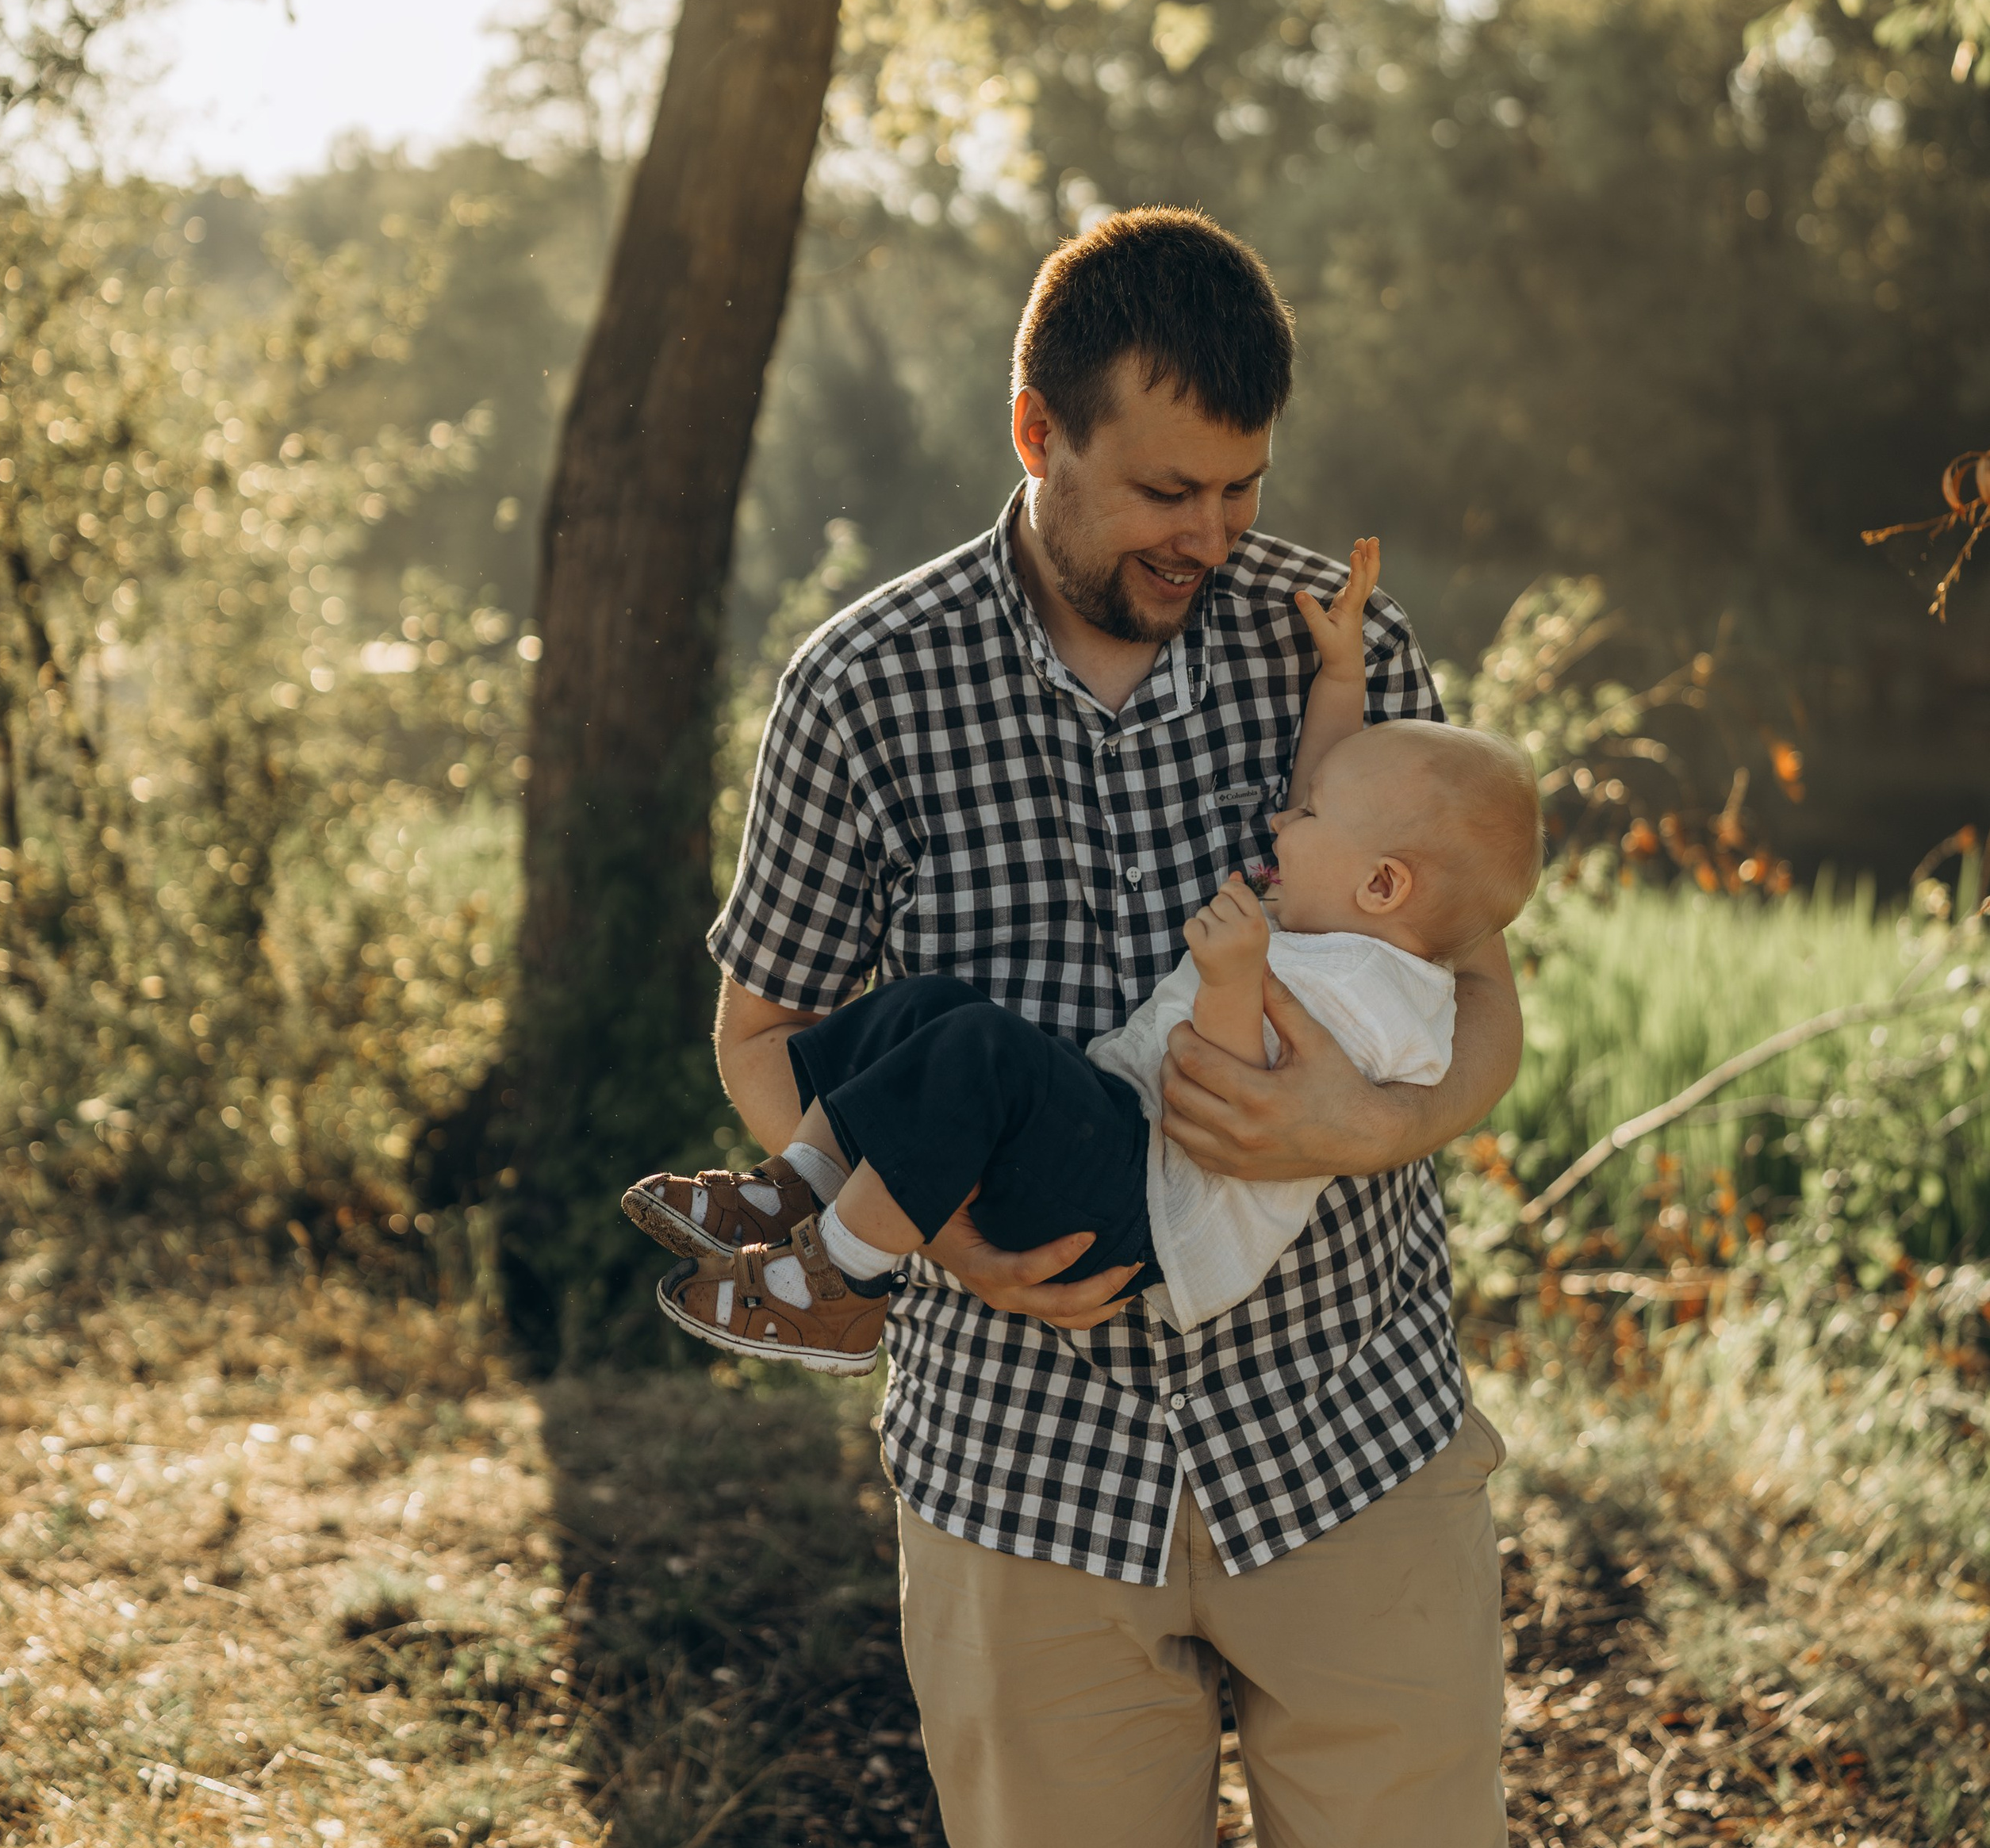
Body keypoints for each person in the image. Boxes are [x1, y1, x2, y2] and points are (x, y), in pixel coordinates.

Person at [692, 208, 1524, 1848]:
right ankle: (811, 1262)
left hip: (1349, 1443)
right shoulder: (865, 685)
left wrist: (1369, 1116)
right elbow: (763, 1031)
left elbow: (1478, 988)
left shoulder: (1333, 634)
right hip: (1023, 1480)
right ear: (1032, 432)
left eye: (1239, 485)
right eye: (1162, 485)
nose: (1209, 536)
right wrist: (942, 1248)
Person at [624, 540, 1545, 1370]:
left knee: (979, 1053)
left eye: (1303, 819)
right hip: (1115, 1141)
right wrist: (1338, 673)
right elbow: (1329, 776)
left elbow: (1223, 1096)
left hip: (1152, 1211)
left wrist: (1231, 982)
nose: (1279, 817)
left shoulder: (1377, 993)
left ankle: (845, 1290)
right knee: (927, 1009)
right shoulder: (1335, 911)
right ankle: (796, 1190)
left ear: (1381, 886)